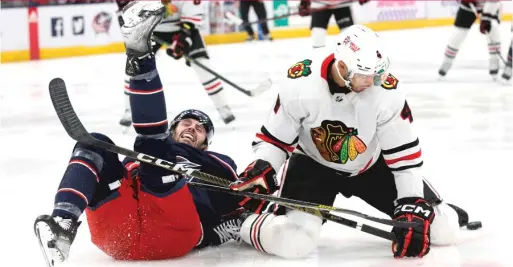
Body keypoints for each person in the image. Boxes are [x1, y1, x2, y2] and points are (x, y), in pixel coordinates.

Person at [230, 24, 471, 259]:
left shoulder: (385, 90)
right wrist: (263, 167)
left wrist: (411, 203)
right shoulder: (300, 82)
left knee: (444, 230)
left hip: (371, 165)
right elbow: (275, 140)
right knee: (295, 243)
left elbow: (405, 158)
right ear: (343, 67)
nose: (374, 82)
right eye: (366, 76)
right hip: (313, 167)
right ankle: (239, 221)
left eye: (378, 74)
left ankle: (440, 208)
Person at [34, 2, 243, 264]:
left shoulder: (219, 162)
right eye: (186, 123)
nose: (192, 128)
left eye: (200, 129)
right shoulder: (136, 157)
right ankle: (63, 223)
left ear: (205, 145)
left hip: (174, 228)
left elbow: (244, 195)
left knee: (154, 150)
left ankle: (140, 54)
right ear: (173, 128)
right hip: (119, 234)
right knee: (96, 144)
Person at [118, 0, 236, 127]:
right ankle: (130, 109)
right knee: (135, 66)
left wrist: (182, 41)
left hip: (181, 28)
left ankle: (223, 106)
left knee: (203, 66)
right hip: (152, 28)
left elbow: (191, 22)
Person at [438, 0, 501, 78]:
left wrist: (486, 17)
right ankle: (447, 61)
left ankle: (494, 60)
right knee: (458, 34)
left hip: (490, 6)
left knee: (493, 29)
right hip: (468, 6)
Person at [298, 0, 369, 49]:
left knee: (349, 35)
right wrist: (305, 2)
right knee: (318, 35)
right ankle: (318, 60)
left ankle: (353, 60)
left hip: (342, 4)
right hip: (319, 4)